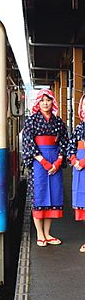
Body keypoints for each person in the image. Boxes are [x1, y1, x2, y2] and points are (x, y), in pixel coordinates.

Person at [22, 89, 69, 247]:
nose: (45, 103)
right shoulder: (32, 120)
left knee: (53, 196)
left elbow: (64, 141)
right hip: (38, 161)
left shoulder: (58, 121)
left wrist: (59, 160)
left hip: (54, 157)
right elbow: (28, 142)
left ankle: (48, 233)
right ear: (38, 103)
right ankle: (40, 234)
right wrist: (42, 161)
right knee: (39, 195)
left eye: (48, 100)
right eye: (42, 100)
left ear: (52, 102)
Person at [67, 94, 85, 252]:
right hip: (79, 169)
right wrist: (74, 160)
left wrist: (82, 162)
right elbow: (70, 146)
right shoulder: (79, 128)